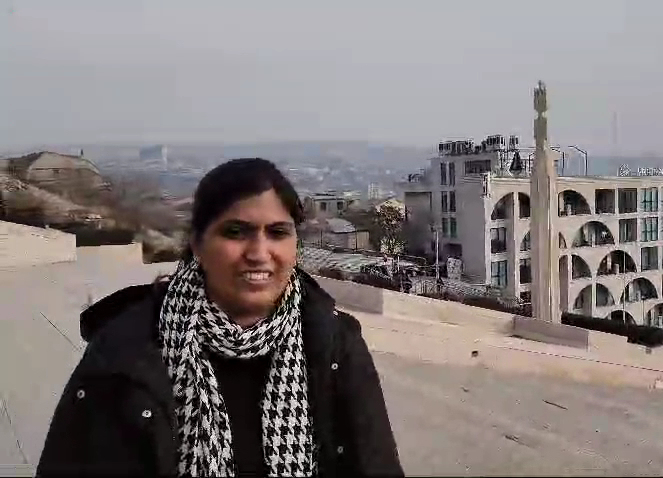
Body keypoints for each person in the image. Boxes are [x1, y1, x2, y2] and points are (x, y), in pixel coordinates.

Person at [37, 158, 404, 477]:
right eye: (235, 232)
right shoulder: (125, 353)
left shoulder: (334, 346)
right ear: (197, 244)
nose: (259, 252)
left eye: (277, 233)